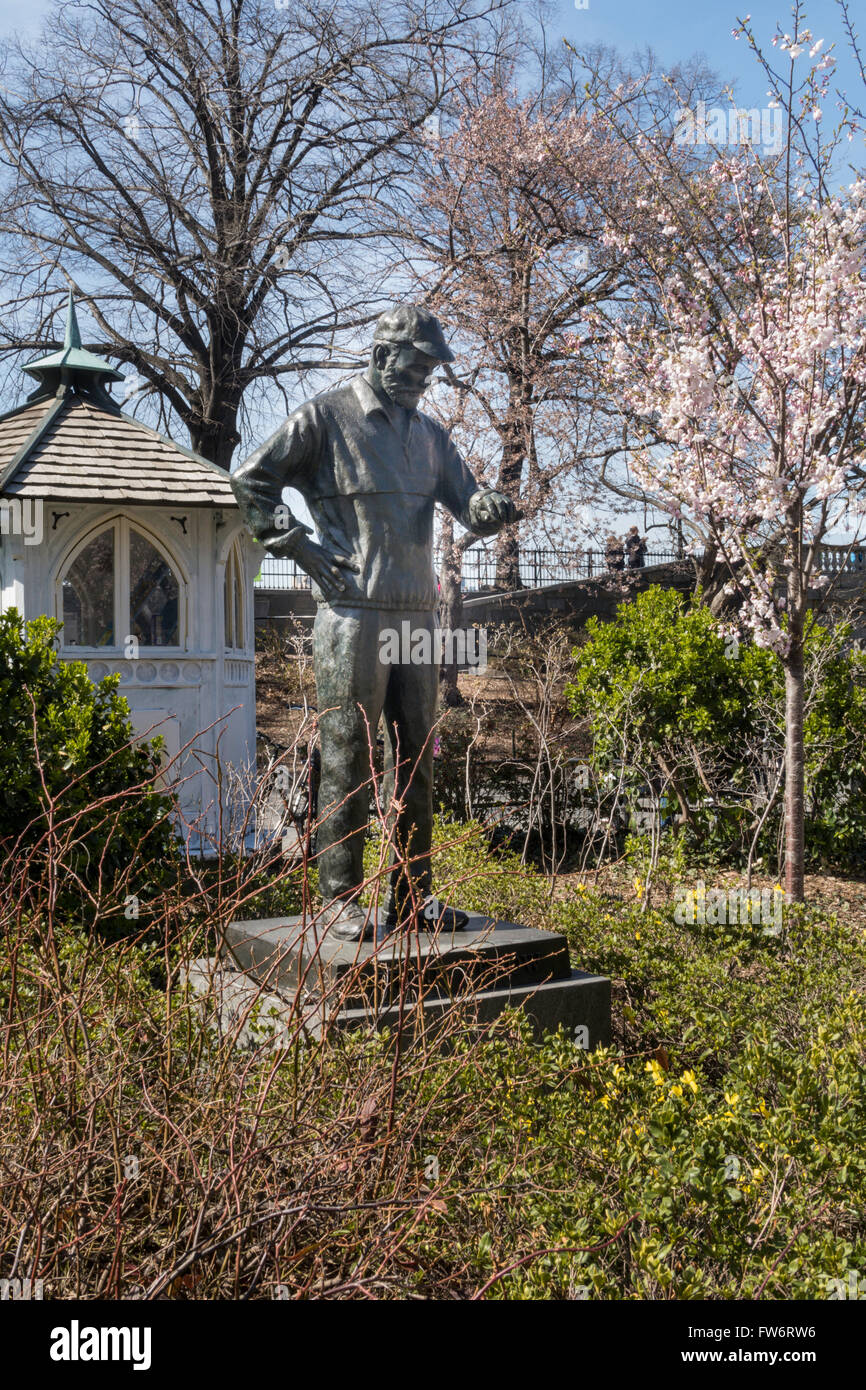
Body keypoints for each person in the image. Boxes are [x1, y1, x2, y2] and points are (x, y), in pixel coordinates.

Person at [231, 304, 517, 941]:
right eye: (416, 367)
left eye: (431, 371)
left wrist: (488, 506)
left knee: (418, 759)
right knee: (348, 753)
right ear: (383, 357)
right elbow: (251, 481)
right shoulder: (325, 418)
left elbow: (468, 500)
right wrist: (299, 547)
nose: (424, 380)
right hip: (352, 614)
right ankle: (339, 897)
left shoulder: (431, 437)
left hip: (416, 617)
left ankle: (415, 896)